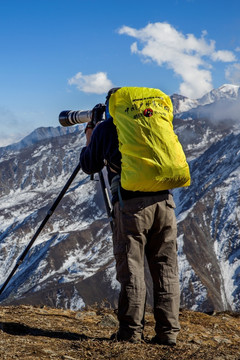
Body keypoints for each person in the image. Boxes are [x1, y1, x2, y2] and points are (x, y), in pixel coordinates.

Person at [79, 90, 181, 346]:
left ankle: (130, 332)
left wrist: (90, 136)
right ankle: (168, 334)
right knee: (166, 269)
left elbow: (90, 165)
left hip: (132, 207)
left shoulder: (107, 128)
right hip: (165, 204)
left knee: (132, 270)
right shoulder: (153, 122)